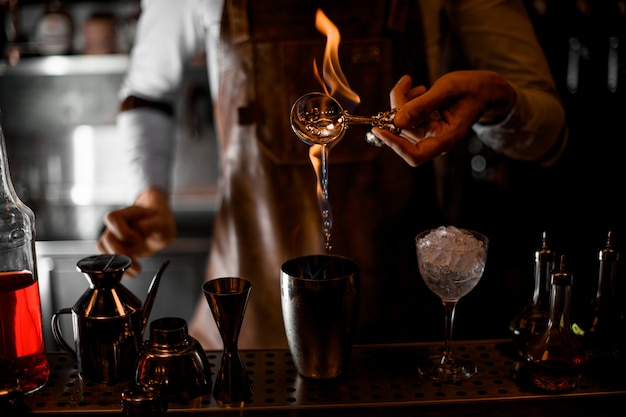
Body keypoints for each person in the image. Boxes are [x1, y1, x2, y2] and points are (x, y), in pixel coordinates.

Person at [97, 0, 567, 350]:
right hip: (247, 323)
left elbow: (550, 133)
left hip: (404, 334)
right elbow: (147, 93)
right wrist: (151, 191)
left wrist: (498, 101)